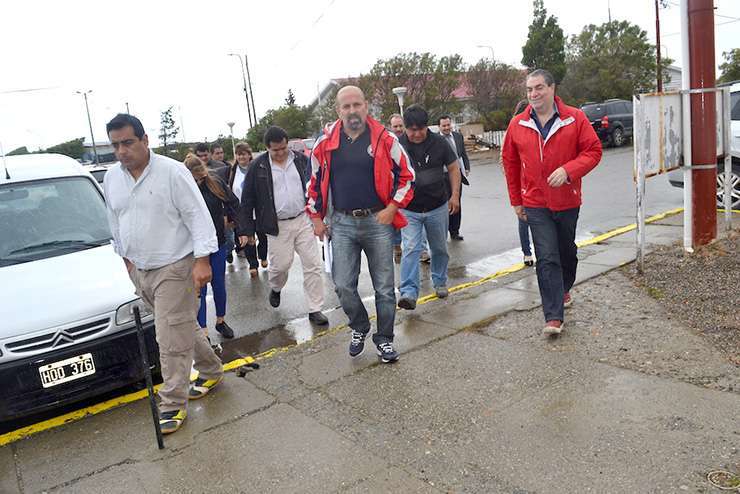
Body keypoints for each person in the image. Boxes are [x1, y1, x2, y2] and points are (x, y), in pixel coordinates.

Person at [103, 114, 223, 434]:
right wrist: (126, 260)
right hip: (139, 268)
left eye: (128, 142)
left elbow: (197, 217)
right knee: (180, 326)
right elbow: (115, 220)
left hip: (175, 265)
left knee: (168, 337)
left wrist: (203, 261)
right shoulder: (112, 179)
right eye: (115, 145)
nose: (122, 151)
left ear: (145, 140)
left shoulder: (172, 172)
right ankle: (211, 369)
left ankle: (172, 403)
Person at [308, 85, 415, 363]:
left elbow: (408, 176)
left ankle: (385, 340)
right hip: (341, 223)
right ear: (338, 110)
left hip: (378, 220)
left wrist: (392, 207)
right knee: (343, 285)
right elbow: (315, 184)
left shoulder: (385, 139)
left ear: (366, 106)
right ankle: (359, 326)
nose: (352, 111)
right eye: (346, 106)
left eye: (357, 105)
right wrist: (317, 217)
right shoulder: (324, 143)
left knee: (384, 287)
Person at [502, 69, 602, 336]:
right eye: (529, 90)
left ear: (552, 89)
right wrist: (516, 200)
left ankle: (564, 287)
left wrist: (569, 170)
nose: (533, 94)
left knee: (566, 252)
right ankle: (553, 317)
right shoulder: (517, 124)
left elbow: (593, 151)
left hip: (567, 200)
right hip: (535, 202)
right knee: (546, 257)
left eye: (538, 88)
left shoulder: (575, 118)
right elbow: (510, 163)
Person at [237, 126, 329, 326]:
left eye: (283, 148)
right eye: (275, 150)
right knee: (281, 266)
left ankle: (315, 309)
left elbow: (316, 187)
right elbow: (247, 200)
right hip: (277, 225)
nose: (280, 153)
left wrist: (321, 216)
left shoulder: (301, 160)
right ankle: (276, 287)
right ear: (267, 148)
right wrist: (246, 230)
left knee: (312, 265)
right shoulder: (258, 167)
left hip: (303, 219)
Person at [397, 105, 461, 310]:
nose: (416, 134)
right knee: (411, 248)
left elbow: (453, 168)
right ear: (406, 128)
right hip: (409, 209)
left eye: (420, 129)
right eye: (411, 129)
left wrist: (455, 196)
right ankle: (408, 292)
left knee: (439, 247)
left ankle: (440, 281)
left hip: (437, 206)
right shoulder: (397, 145)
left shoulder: (439, 143)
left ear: (427, 126)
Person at [182, 154, 239, 340]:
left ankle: (221, 321)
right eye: (195, 178)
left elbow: (233, 203)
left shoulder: (214, 183)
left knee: (219, 284)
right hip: (195, 248)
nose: (199, 180)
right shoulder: (181, 188)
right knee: (200, 288)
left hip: (217, 243)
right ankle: (203, 329)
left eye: (201, 176)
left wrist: (237, 225)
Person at [501, 100, 535, 267]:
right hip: (523, 184)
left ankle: (531, 252)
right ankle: (527, 252)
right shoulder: (513, 131)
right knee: (524, 219)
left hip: (535, 183)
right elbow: (506, 160)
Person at [229, 142, 268, 275]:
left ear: (249, 155)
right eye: (238, 155)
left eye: (244, 154)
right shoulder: (232, 171)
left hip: (258, 210)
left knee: (262, 236)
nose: (241, 157)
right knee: (247, 237)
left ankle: (263, 255)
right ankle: (253, 264)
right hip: (242, 212)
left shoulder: (257, 168)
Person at [438, 116, 470, 241]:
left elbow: (463, 154)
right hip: (442, 176)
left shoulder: (457, 136)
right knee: (444, 204)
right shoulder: (436, 140)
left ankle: (455, 231)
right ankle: (443, 232)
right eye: (444, 126)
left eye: (448, 125)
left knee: (456, 202)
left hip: (456, 175)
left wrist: (466, 167)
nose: (446, 128)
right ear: (439, 127)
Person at [388, 113, 405, 263]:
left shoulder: (409, 141)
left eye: (400, 126)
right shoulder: (387, 143)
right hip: (392, 189)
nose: (398, 129)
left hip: (408, 187)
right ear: (390, 127)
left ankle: (421, 250)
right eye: (395, 126)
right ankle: (397, 246)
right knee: (395, 220)